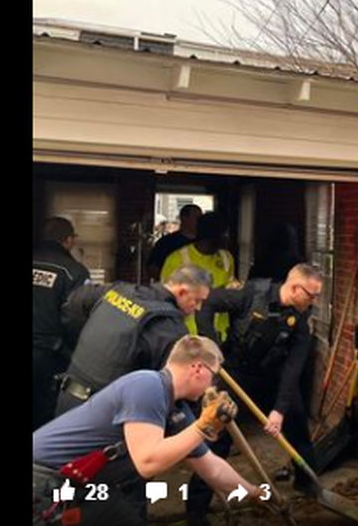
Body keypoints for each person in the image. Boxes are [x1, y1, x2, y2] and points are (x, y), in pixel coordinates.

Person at [33, 335, 263, 526]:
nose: (212, 385)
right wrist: (202, 427)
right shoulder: (147, 386)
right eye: (213, 375)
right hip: (43, 480)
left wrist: (256, 493)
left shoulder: (176, 411)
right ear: (198, 369)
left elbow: (212, 468)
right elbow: (147, 462)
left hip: (83, 486)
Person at [184, 263, 324, 524]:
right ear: (295, 288)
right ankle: (196, 509)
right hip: (237, 371)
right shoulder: (251, 295)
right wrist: (211, 347)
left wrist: (279, 410)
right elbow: (210, 302)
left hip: (273, 375)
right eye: (312, 294)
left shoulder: (302, 320)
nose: (315, 300)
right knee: (217, 435)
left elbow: (294, 366)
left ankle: (308, 483)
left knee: (296, 422)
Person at [55, 265, 212, 417]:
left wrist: (79, 345)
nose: (198, 308)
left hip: (67, 401)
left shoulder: (119, 291)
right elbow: (177, 389)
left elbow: (74, 303)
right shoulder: (169, 328)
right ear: (182, 291)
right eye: (197, 300)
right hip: (103, 417)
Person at [34, 217, 92, 430]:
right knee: (46, 411)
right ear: (69, 240)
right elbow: (76, 316)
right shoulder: (74, 272)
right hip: (50, 355)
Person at [161, 211, 238, 341]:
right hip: (186, 336)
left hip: (219, 335)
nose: (228, 237)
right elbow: (165, 301)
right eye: (225, 233)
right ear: (213, 235)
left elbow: (230, 288)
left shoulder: (226, 258)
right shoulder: (177, 259)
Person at [146, 204, 202, 282]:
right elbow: (153, 267)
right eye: (197, 218)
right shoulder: (166, 242)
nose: (200, 221)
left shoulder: (203, 243)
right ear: (184, 218)